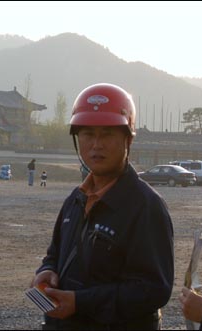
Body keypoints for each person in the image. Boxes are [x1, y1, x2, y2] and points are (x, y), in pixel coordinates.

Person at [31, 83, 174, 329]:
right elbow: (55, 253)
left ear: (128, 139)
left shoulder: (145, 206)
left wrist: (80, 302)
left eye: (107, 134)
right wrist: (47, 270)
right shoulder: (75, 200)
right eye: (87, 134)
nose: (96, 144)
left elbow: (154, 290)